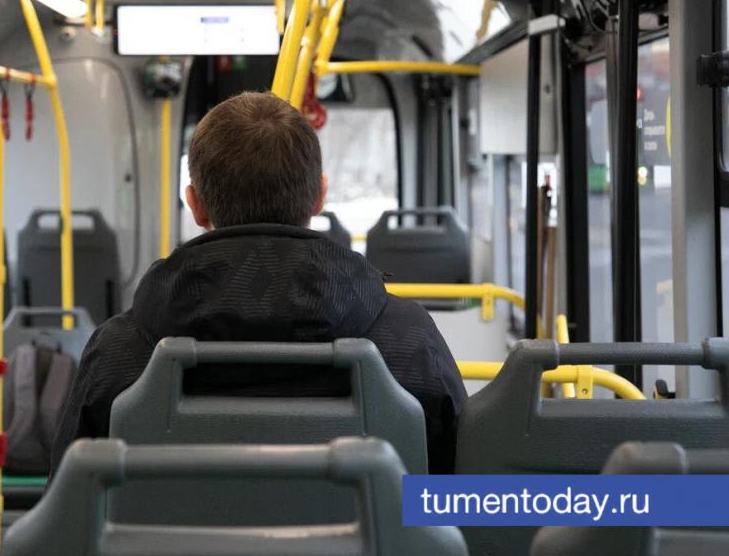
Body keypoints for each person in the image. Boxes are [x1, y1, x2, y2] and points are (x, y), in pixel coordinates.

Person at [50, 91, 466, 473]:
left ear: (194, 204)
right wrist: (394, 510)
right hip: (383, 536)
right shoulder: (408, 343)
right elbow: (470, 502)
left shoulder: (119, 353)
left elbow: (72, 506)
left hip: (161, 536)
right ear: (319, 197)